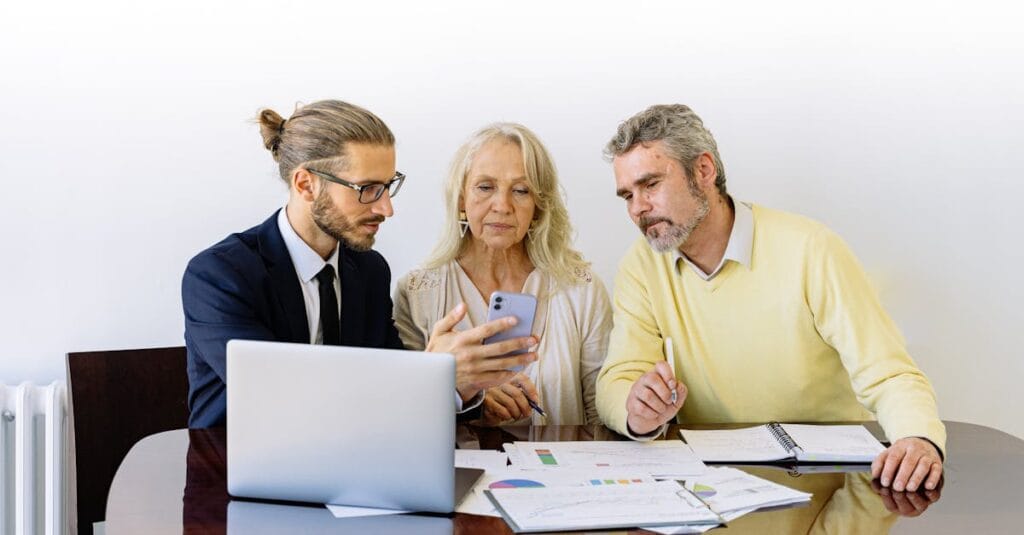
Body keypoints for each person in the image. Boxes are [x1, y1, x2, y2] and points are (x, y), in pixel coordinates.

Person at [595, 104, 945, 493]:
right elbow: (618, 379)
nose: (637, 209)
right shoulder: (642, 266)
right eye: (627, 195)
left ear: (704, 171)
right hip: (712, 488)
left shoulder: (811, 249)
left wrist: (918, 438)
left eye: (650, 185)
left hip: (828, 483)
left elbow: (889, 373)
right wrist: (637, 408)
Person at [182, 100, 535, 428]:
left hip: (354, 473)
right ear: (306, 185)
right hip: (234, 475)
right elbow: (281, 402)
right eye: (367, 189)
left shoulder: (368, 272)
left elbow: (397, 404)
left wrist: (461, 384)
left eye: (387, 186)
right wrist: (432, 372)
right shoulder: (220, 276)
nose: (386, 208)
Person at [393, 123, 612, 425]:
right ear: (460, 198)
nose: (502, 205)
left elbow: (602, 414)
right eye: (485, 187)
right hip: (460, 470)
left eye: (521, 191)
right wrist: (463, 390)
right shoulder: (418, 292)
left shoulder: (580, 290)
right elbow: (405, 416)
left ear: (538, 205)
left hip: (562, 468)